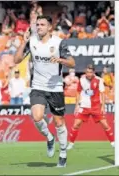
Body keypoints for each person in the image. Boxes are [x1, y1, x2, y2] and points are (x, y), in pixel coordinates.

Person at [14, 15, 75, 167]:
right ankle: (49, 137)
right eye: (37, 24)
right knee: (37, 116)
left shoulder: (59, 42)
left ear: (49, 27)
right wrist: (24, 41)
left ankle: (62, 153)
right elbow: (16, 60)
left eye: (42, 24)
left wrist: (61, 60)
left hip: (55, 88)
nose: (39, 27)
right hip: (38, 86)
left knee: (59, 121)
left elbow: (72, 63)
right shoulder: (32, 41)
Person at [66, 64, 115, 150]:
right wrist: (76, 105)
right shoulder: (81, 80)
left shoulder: (99, 80)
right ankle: (71, 143)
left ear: (93, 72)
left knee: (105, 125)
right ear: (85, 72)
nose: (89, 74)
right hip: (84, 106)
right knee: (76, 124)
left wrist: (103, 106)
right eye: (87, 72)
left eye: (90, 72)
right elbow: (78, 92)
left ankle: (113, 142)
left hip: (96, 106)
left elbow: (102, 93)